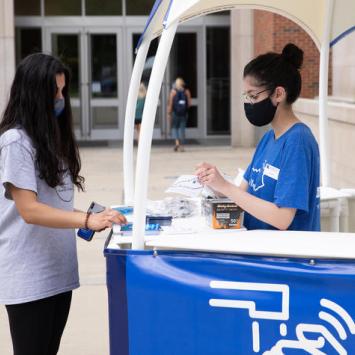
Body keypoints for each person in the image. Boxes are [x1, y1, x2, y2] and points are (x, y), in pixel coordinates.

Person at [0, 53, 127, 355]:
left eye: (62, 91)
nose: (60, 98)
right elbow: (29, 210)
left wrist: (96, 216)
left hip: (58, 273)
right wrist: (85, 220)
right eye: (53, 92)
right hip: (29, 276)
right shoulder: (15, 142)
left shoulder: (50, 140)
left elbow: (52, 206)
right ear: (32, 94)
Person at [196, 43, 320, 231]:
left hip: (285, 256)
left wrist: (226, 187)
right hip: (260, 249)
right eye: (247, 96)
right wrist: (215, 183)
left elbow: (282, 218)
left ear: (278, 94)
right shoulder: (268, 138)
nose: (249, 103)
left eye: (253, 96)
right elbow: (242, 195)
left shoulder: (298, 140)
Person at [167, 77, 192, 152]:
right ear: (183, 83)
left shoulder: (173, 92)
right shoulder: (187, 92)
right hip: (184, 113)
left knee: (175, 128)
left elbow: (170, 104)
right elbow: (189, 104)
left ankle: (177, 143)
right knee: (182, 129)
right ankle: (182, 146)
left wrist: (168, 113)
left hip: (175, 113)